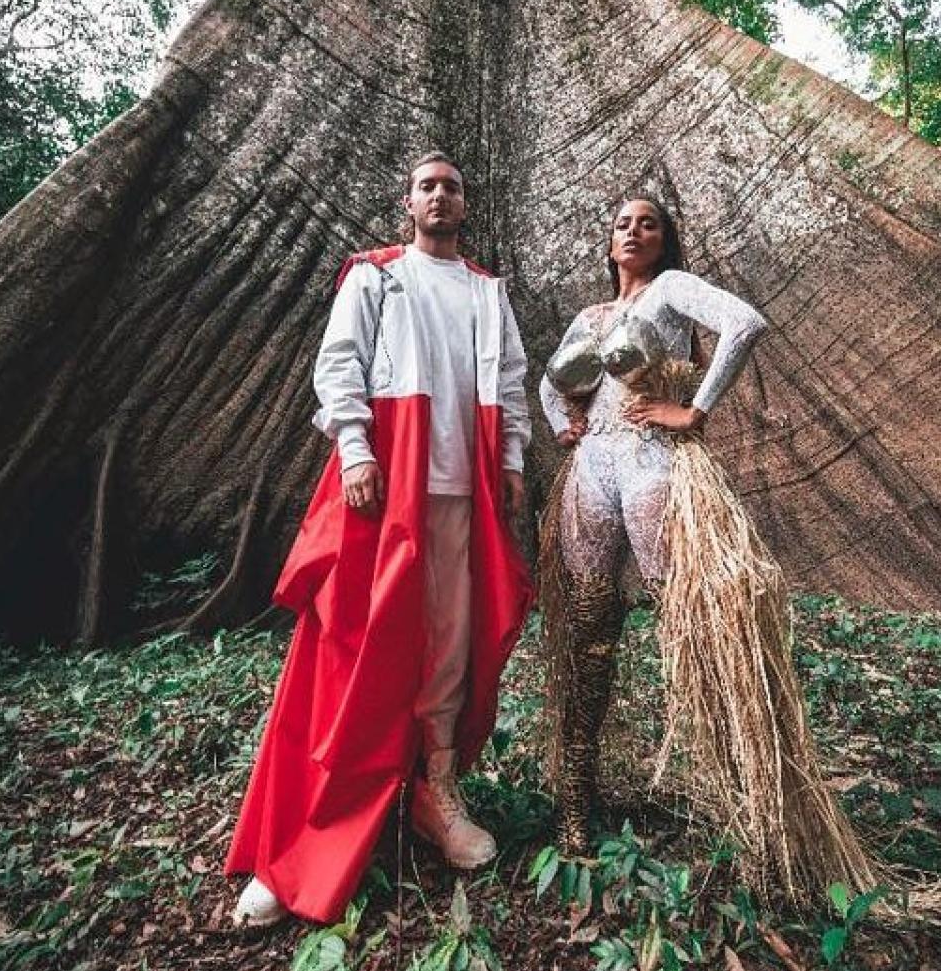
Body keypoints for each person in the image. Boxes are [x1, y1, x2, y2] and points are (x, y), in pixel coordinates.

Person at [539, 195, 874, 901]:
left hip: (656, 468)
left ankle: (760, 814)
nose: (634, 231)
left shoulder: (671, 289)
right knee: (587, 637)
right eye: (623, 223)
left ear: (665, 240)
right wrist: (563, 423)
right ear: (608, 241)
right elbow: (549, 382)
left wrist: (692, 409)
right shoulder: (592, 316)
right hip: (592, 472)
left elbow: (745, 322)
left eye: (649, 223)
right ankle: (575, 804)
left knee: (701, 630)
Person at [227, 154, 533, 927]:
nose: (440, 194)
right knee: (352, 650)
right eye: (428, 185)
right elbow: (340, 365)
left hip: (463, 495)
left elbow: (509, 382)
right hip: (384, 490)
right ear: (409, 202)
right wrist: (358, 449)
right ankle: (303, 840)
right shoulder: (376, 276)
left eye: (452, 186)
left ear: (465, 203)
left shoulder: (487, 291)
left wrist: (512, 462)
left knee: (449, 646)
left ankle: (435, 794)